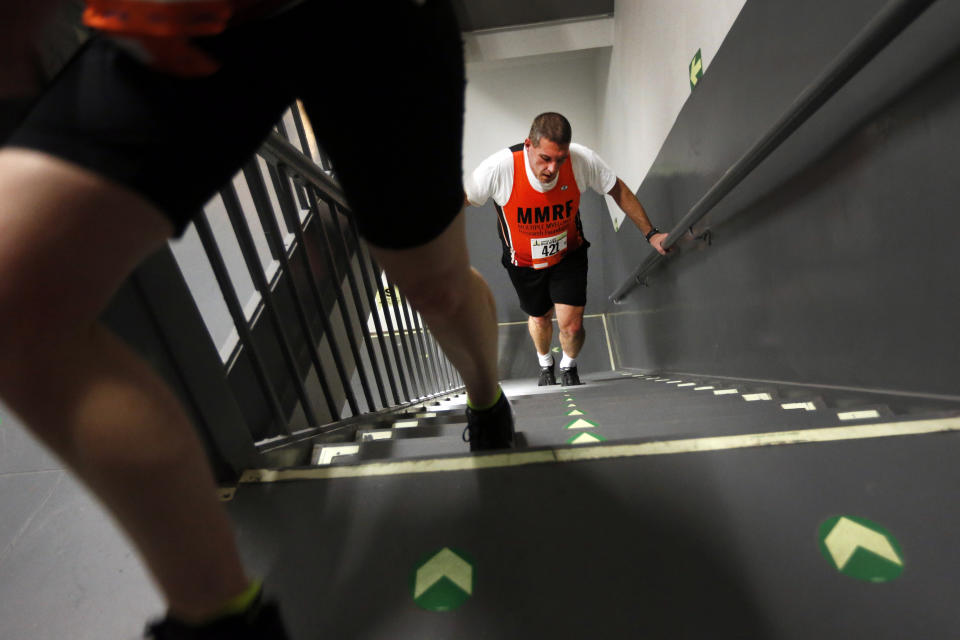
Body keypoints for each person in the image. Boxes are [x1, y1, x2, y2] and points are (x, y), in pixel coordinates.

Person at [0, 1, 514, 638]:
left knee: (434, 290)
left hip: (375, 18)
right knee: (15, 299)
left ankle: (486, 396)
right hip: (182, 23)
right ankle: (222, 619)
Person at [465, 112, 669, 387]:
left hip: (568, 253)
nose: (552, 168)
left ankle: (569, 366)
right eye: (545, 158)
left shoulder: (582, 160)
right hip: (523, 262)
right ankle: (545, 362)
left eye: (560, 159)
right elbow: (466, 199)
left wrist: (651, 234)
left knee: (571, 326)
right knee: (539, 317)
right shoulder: (499, 168)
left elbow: (617, 189)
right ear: (529, 145)